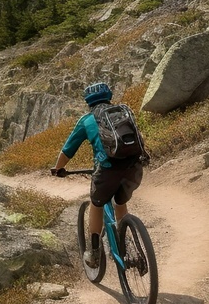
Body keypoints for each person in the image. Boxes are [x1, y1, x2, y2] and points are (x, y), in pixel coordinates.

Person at [51, 81, 144, 268]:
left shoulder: (86, 120)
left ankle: (94, 253)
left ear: (88, 101)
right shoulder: (124, 112)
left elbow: (68, 150)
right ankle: (125, 239)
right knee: (120, 201)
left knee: (96, 203)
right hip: (135, 168)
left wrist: (57, 169)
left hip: (107, 171)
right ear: (109, 97)